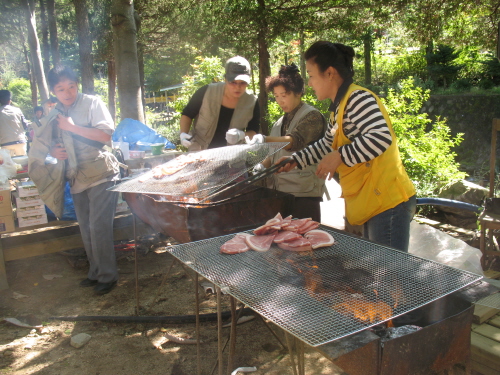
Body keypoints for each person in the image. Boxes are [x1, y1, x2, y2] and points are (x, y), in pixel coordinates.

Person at [278, 41, 416, 252]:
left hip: (388, 203)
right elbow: (326, 144)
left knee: (390, 278)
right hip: (373, 202)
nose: (310, 82)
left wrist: (339, 156)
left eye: (312, 75)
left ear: (330, 73)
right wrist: (296, 160)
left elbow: (380, 137)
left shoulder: (358, 99)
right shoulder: (340, 107)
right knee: (382, 275)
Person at [28, 65, 121, 295]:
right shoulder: (55, 112)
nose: (67, 93)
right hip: (77, 177)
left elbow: (106, 136)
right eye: (61, 89)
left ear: (77, 84)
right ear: (54, 91)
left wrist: (73, 127)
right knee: (87, 230)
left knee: (99, 229)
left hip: (101, 174)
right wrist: (54, 151)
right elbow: (50, 141)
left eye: (71, 86)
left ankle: (108, 277)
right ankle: (95, 273)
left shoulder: (92, 103)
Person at [249, 64, 327, 221]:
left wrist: (262, 139)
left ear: (298, 93)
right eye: (276, 96)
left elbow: (294, 141)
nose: (279, 101)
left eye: (284, 95)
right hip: (280, 195)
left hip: (304, 195)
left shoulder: (312, 116)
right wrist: (258, 169)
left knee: (304, 240)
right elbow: (271, 155)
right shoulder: (279, 123)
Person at [179, 56, 260, 150]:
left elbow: (254, 131)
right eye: (233, 82)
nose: (238, 87)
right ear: (225, 79)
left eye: (242, 83)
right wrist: (183, 134)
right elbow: (187, 114)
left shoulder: (252, 102)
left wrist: (242, 135)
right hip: (199, 152)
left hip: (231, 157)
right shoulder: (206, 91)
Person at [0, 90, 28, 156]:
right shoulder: (17, 110)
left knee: (8, 165)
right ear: (10, 100)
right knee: (22, 163)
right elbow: (25, 124)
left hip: (5, 143)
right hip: (20, 142)